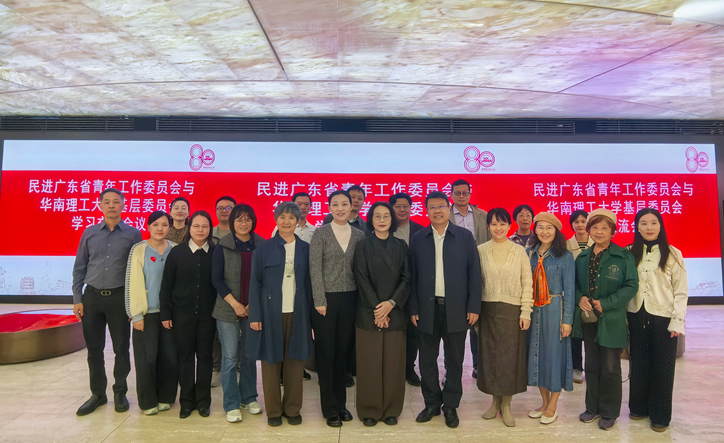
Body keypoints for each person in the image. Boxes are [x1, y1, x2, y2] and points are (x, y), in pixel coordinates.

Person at [409, 191, 482, 429]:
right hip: (426, 310)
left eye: (441, 206)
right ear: (426, 211)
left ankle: (450, 406)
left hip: (457, 309)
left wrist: (473, 306)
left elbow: (474, 274)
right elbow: (412, 276)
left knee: (454, 361)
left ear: (448, 208)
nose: (437, 211)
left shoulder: (464, 237)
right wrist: (414, 307)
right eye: (432, 207)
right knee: (427, 361)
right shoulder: (418, 238)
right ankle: (431, 403)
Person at [72, 188, 142, 416]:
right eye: (107, 202)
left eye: (116, 202)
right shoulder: (89, 233)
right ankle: (98, 394)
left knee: (121, 348)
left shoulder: (133, 234)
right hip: (91, 298)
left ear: (123, 205)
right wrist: (77, 298)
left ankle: (120, 392)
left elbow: (137, 271)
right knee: (94, 349)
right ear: (100, 205)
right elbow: (80, 267)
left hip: (119, 297)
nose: (111, 205)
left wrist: (133, 303)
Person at [248, 202, 314, 427]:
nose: (287, 222)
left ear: (298, 221)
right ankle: (274, 411)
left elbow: (310, 284)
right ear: (276, 219)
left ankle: (293, 409)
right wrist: (255, 316)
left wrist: (312, 319)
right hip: (270, 313)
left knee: (295, 362)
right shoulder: (264, 248)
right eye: (282, 217)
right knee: (270, 363)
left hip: (298, 313)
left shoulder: (305, 248)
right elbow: (255, 283)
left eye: (291, 218)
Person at [572, 208, 638, 431]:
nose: (599, 232)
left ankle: (609, 412)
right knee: (591, 365)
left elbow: (631, 285)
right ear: (589, 230)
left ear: (613, 231)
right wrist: (580, 297)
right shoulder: (582, 257)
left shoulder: (623, 256)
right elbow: (575, 284)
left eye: (604, 228)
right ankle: (592, 408)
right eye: (595, 227)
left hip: (612, 319)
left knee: (610, 367)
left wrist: (606, 303)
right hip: (589, 320)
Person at [627, 208, 688, 432]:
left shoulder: (673, 254)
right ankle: (638, 407)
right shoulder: (629, 252)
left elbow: (681, 291)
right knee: (639, 363)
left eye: (653, 223)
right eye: (643, 223)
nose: (649, 227)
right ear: (637, 227)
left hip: (663, 317)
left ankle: (660, 415)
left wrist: (677, 321)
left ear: (660, 226)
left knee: (663, 367)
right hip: (636, 314)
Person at [310, 190, 366, 427]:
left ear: (352, 206)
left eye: (345, 204)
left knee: (343, 353)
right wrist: (319, 300)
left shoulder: (360, 235)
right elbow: (314, 268)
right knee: (326, 353)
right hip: (325, 301)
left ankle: (341, 405)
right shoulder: (320, 233)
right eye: (335, 204)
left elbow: (362, 270)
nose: (341, 208)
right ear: (329, 207)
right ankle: (329, 408)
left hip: (351, 299)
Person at [353, 202, 411, 427]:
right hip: (369, 312)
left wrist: (391, 304)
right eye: (377, 216)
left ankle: (391, 410)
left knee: (394, 363)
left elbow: (407, 278)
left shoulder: (401, 245)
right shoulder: (362, 245)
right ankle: (369, 409)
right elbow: (361, 279)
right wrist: (378, 309)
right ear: (371, 219)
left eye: (386, 216)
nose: (382, 220)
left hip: (395, 311)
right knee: (369, 362)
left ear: (392, 219)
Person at [476, 208, 533, 427]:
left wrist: (525, 311)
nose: (498, 228)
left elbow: (526, 282)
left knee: (510, 360)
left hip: (512, 311)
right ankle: (494, 402)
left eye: (502, 224)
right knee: (490, 359)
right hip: (487, 310)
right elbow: (475, 283)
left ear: (509, 226)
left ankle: (507, 405)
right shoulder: (480, 250)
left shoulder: (519, 251)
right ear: (488, 226)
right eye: (494, 224)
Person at [160, 211, 217, 419]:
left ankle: (203, 401)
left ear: (210, 229)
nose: (200, 230)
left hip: (208, 316)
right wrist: (165, 312)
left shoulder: (216, 252)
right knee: (184, 358)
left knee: (205, 358)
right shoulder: (177, 252)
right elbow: (166, 284)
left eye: (205, 226)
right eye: (196, 226)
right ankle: (186, 401)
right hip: (181, 315)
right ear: (189, 228)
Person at [212, 204, 264, 423]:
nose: (243, 223)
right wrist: (236, 305)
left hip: (253, 309)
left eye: (247, 219)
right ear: (232, 222)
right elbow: (216, 279)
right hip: (227, 310)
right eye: (239, 219)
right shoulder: (222, 245)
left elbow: (265, 278)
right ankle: (231, 403)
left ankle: (249, 398)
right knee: (230, 358)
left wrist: (253, 304)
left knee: (249, 356)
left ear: (253, 221)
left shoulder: (262, 245)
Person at [125, 211, 178, 415]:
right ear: (148, 226)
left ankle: (166, 397)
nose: (160, 228)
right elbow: (132, 282)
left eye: (164, 225)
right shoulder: (139, 250)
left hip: (170, 315)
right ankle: (148, 402)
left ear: (169, 227)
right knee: (146, 359)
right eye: (155, 224)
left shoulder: (175, 249)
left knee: (169, 357)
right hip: (146, 314)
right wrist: (136, 314)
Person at [526, 212, 575, 425]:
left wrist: (567, 320)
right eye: (540, 227)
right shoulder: (529, 253)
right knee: (537, 356)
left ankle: (553, 404)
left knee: (555, 357)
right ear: (535, 229)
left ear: (556, 231)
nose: (544, 232)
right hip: (533, 310)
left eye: (549, 228)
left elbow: (570, 290)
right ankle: (544, 402)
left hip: (555, 309)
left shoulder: (565, 256)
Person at [448, 179, 490, 380]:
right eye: (457, 193)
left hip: (479, 272)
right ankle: (451, 370)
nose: (461, 196)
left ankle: (478, 366)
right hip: (452, 275)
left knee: (477, 323)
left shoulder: (483, 215)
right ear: (451, 195)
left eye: (465, 193)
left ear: (470, 194)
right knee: (453, 326)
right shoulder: (444, 215)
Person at [389, 192, 424, 387]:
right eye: (397, 206)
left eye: (405, 206)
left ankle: (409, 368)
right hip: (389, 290)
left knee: (413, 332)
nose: (402, 210)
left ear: (411, 208)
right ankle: (392, 368)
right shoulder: (384, 229)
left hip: (413, 289)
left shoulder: (420, 231)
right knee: (392, 331)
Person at [211, 196, 237, 387]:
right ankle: (216, 368)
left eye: (228, 208)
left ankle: (236, 365)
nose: (224, 211)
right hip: (214, 289)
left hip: (237, 290)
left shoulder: (243, 233)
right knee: (215, 333)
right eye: (220, 208)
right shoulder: (209, 234)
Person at [567, 209, 592, 384]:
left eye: (583, 221)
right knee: (574, 333)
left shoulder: (597, 243)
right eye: (576, 222)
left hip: (593, 296)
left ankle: (591, 367)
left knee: (591, 333)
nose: (580, 225)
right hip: (573, 295)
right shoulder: (566, 245)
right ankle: (576, 368)